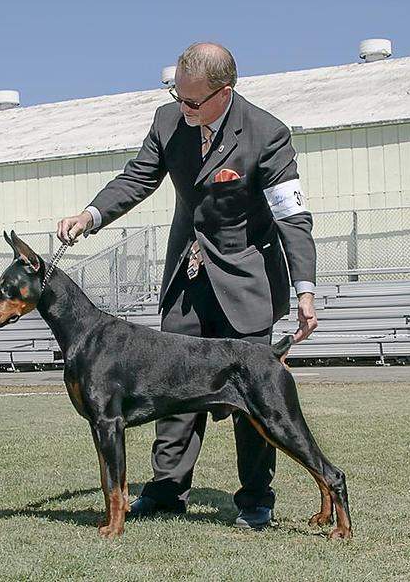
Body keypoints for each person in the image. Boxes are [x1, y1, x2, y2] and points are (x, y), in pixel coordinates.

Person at [57, 42, 317, 529]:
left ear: (225, 92)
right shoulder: (167, 121)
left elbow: (292, 216)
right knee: (166, 389)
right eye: (178, 96)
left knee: (253, 400)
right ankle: (166, 489)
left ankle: (256, 499)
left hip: (245, 283)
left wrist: (305, 288)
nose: (184, 108)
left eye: (193, 102)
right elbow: (137, 178)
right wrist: (91, 215)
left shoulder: (267, 133)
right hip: (186, 278)